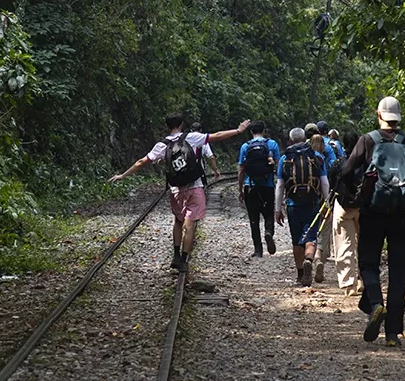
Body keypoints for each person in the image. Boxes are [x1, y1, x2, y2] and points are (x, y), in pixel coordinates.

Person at [109, 114, 250, 272]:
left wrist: (123, 175)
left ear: (167, 126)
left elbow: (142, 162)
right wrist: (238, 130)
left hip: (176, 189)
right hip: (194, 186)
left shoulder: (162, 145)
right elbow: (216, 136)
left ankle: (175, 255)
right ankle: (183, 260)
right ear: (182, 124)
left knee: (178, 220)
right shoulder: (191, 137)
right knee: (190, 225)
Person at [341, 97, 405, 347]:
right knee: (399, 271)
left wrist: (353, 194)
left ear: (379, 114)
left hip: (373, 213)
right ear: (398, 117)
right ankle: (392, 334)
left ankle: (376, 303)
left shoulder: (367, 141)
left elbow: (345, 171)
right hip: (400, 215)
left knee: (368, 263)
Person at [275, 127, 329, 287]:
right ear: (305, 139)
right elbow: (325, 182)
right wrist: (326, 203)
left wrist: (278, 209)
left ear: (291, 140)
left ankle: (300, 275)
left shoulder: (285, 158)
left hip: (292, 204)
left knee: (296, 241)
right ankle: (309, 260)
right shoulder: (317, 157)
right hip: (312, 203)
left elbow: (279, 186)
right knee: (310, 238)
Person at [237, 121, 281, 258]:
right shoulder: (272, 144)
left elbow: (241, 170)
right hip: (267, 186)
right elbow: (278, 166)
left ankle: (258, 250)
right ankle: (268, 232)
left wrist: (240, 189)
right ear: (264, 130)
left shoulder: (246, 146)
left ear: (251, 132)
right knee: (268, 214)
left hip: (251, 186)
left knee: (253, 218)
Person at [331, 131, 363, 296]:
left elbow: (332, 184)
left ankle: (348, 284)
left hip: (343, 207)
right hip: (363, 207)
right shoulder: (366, 163)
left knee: (344, 244)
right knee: (363, 244)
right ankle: (363, 279)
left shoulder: (338, 163)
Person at [307, 126, 336, 283]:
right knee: (324, 231)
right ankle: (320, 259)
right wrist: (328, 201)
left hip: (307, 199)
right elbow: (329, 176)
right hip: (325, 197)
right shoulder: (328, 152)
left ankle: (310, 258)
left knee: (310, 229)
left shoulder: (305, 154)